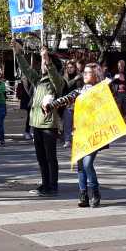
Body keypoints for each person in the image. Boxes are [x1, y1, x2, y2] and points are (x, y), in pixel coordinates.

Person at [48, 63, 107, 207]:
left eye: (89, 72)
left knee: (87, 164)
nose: (85, 74)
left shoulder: (102, 91)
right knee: (81, 165)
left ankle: (95, 192)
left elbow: (111, 108)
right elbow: (66, 98)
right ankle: (83, 195)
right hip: (80, 132)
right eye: (84, 72)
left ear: (96, 75)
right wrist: (51, 105)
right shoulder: (80, 91)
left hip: (94, 133)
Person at [13, 41, 65, 197]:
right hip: (36, 124)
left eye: (44, 62)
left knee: (50, 157)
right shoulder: (39, 80)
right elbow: (26, 70)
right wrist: (18, 53)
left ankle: (53, 186)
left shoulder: (57, 82)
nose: (41, 64)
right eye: (42, 62)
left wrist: (47, 60)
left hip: (49, 124)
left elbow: (54, 75)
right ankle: (45, 183)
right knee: (41, 158)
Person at [61, 61, 81, 147]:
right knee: (67, 123)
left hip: (78, 103)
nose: (69, 69)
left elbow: (82, 88)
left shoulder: (80, 77)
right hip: (68, 104)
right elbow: (66, 87)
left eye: (71, 67)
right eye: (68, 67)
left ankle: (78, 140)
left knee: (78, 124)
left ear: (74, 68)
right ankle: (67, 140)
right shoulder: (64, 78)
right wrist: (75, 79)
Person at [112, 60, 126, 124]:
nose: (120, 67)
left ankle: (125, 122)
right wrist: (114, 78)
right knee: (118, 108)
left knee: (125, 108)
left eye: (122, 65)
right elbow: (110, 82)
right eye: (119, 66)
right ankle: (118, 123)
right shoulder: (114, 73)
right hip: (118, 93)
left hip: (125, 93)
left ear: (124, 66)